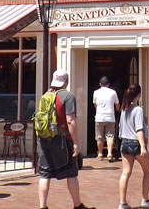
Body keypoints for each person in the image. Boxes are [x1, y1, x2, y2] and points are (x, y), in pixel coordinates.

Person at [37, 69, 95, 209]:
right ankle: (77, 205)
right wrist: (76, 142)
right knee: (71, 172)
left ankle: (42, 206)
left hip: (44, 138)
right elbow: (70, 121)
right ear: (66, 81)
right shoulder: (68, 96)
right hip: (62, 139)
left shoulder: (45, 95)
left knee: (45, 174)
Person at [117, 84, 149, 209]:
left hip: (124, 142)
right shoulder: (138, 110)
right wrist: (143, 146)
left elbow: (120, 127)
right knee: (148, 171)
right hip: (135, 143)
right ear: (139, 95)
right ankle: (145, 199)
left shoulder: (124, 109)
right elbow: (139, 129)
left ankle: (122, 202)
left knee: (126, 172)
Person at [93, 76, 120, 162]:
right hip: (110, 117)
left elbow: (95, 105)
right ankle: (109, 154)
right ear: (108, 84)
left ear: (100, 84)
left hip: (99, 117)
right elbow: (117, 104)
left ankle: (100, 154)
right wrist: (117, 110)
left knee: (99, 137)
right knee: (110, 136)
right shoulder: (113, 92)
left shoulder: (96, 92)